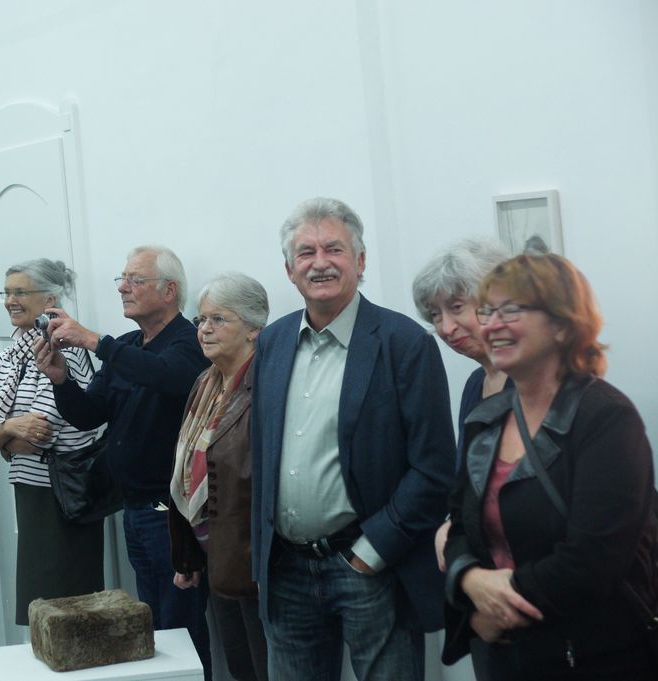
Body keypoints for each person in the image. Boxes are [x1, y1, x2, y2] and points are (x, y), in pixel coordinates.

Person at [251, 198, 455, 681]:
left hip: (370, 567)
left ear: (360, 261)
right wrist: (262, 558)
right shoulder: (272, 342)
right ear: (289, 269)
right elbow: (262, 454)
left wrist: (374, 549)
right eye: (305, 252)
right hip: (286, 570)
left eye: (334, 249)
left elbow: (434, 467)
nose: (319, 262)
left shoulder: (405, 343)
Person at [442, 253, 657, 680]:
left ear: (562, 324)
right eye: (487, 311)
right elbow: (459, 527)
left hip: (596, 656)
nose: (491, 325)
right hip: (507, 660)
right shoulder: (485, 419)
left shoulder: (606, 417)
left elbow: (593, 560)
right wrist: (468, 581)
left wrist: (495, 608)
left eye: (510, 310)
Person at [35, 245, 212, 678]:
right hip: (133, 510)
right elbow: (89, 414)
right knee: (154, 630)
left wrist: (95, 341)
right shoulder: (130, 344)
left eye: (135, 280)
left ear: (169, 291)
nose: (122, 288)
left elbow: (166, 376)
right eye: (123, 278)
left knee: (182, 630)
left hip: (173, 515)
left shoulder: (189, 342)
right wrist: (61, 380)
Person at [0, 259, 103, 624]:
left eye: (20, 292)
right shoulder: (10, 352)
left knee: (69, 604)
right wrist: (9, 431)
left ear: (49, 299)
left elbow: (39, 434)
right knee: (41, 604)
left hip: (65, 492)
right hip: (30, 488)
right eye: (7, 292)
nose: (10, 301)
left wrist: (3, 437)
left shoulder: (66, 348)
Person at [169, 272, 269, 681]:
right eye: (201, 320)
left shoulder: (266, 383)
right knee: (240, 665)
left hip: (252, 560)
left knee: (265, 667)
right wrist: (189, 555)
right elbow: (186, 471)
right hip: (215, 556)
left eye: (218, 319)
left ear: (253, 328)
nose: (204, 329)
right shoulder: (205, 381)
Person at [411, 238, 512, 562]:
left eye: (456, 308)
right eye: (435, 315)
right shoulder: (475, 384)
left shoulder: (533, 383)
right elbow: (468, 484)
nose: (446, 328)